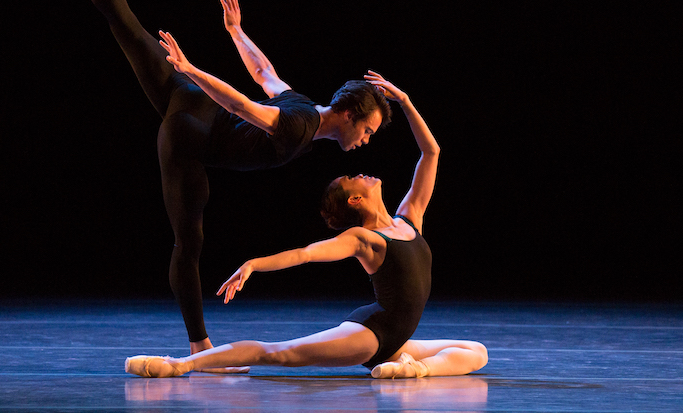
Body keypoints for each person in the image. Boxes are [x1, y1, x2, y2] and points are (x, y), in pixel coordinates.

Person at [28, 0, 392, 357]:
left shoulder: (306, 107)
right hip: (191, 137)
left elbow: (264, 74)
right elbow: (243, 106)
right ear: (348, 115)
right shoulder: (299, 128)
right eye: (369, 130)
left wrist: (236, 32)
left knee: (127, 27)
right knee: (189, 242)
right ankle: (200, 345)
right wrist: (192, 67)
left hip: (193, 102)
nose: (366, 141)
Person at [125, 73, 488, 378]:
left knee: (477, 350)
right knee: (277, 354)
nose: (360, 170)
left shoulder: (409, 218)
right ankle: (179, 365)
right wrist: (255, 264)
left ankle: (413, 370)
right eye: (352, 177)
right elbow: (306, 254)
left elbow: (431, 152)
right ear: (355, 200)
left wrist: (405, 101)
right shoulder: (364, 239)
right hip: (371, 334)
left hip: (397, 340)